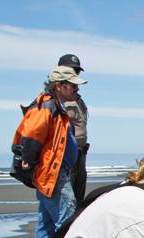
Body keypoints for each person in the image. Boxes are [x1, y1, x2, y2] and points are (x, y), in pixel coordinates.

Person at [12, 66, 84, 238]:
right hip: (53, 173)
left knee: (46, 224)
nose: (77, 89)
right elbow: (32, 134)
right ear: (60, 86)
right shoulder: (47, 106)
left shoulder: (54, 106)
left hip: (54, 172)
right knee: (67, 221)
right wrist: (28, 158)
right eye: (73, 86)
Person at [58, 53, 90, 203]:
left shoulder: (76, 98)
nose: (74, 73)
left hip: (81, 154)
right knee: (67, 202)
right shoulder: (58, 98)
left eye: (76, 71)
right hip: (67, 155)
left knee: (78, 198)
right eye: (71, 70)